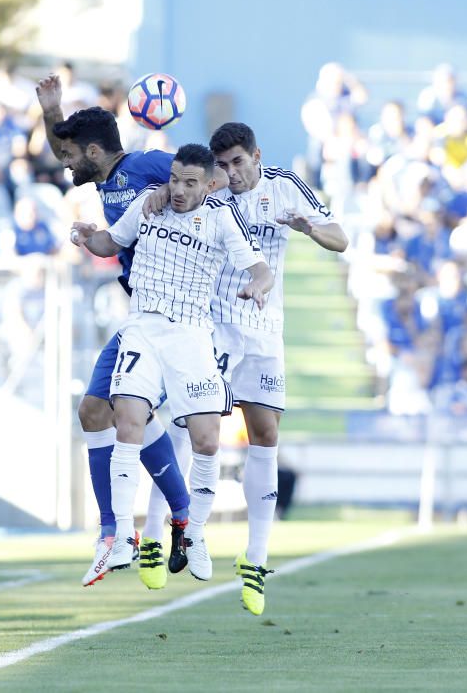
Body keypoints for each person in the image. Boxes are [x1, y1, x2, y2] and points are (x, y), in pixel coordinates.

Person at [144, 122, 347, 613]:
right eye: (224, 165)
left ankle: (255, 559)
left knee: (266, 436)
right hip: (214, 324)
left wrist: (311, 230)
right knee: (192, 426)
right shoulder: (209, 193)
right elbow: (171, 192)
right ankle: (156, 532)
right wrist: (154, 195)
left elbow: (340, 239)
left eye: (238, 162)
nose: (231, 173)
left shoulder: (284, 187)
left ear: (256, 155)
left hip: (265, 331)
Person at [71, 143, 272, 584]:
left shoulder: (221, 219)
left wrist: (258, 285)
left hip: (191, 334)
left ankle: (195, 534)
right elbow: (112, 241)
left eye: (189, 182)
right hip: (142, 326)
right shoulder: (150, 204)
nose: (178, 189)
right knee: (127, 418)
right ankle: (124, 533)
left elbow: (260, 268)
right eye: (174, 179)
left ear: (210, 184)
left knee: (206, 442)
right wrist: (86, 235)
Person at [36, 75, 194, 588]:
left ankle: (124, 531)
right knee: (95, 409)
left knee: (126, 410)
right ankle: (159, 522)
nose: (64, 162)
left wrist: (173, 192)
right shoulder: (105, 182)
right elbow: (64, 147)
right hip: (140, 314)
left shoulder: (145, 166)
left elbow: (203, 180)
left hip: (177, 318)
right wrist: (54, 109)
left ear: (97, 150)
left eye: (71, 155)